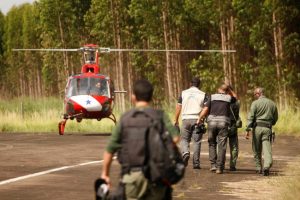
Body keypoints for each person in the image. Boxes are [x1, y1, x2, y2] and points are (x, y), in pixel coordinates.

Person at [101, 79, 180, 199]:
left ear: (133, 97)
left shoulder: (125, 118)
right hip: (157, 177)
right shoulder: (160, 116)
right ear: (151, 97)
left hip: (132, 178)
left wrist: (105, 174)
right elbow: (175, 138)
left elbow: (110, 149)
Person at [200, 84, 237, 174]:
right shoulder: (228, 98)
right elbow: (235, 97)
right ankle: (219, 167)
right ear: (227, 91)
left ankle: (213, 165)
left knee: (212, 143)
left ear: (218, 89)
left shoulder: (212, 97)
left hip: (211, 122)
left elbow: (205, 109)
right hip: (223, 122)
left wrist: (200, 118)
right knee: (222, 145)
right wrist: (230, 90)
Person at [174, 77, 209, 169]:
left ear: (190, 84)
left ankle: (185, 152)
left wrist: (176, 120)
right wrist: (203, 118)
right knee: (197, 142)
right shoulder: (203, 94)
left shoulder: (183, 93)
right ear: (199, 84)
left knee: (184, 139)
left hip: (186, 119)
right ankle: (196, 164)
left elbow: (178, 107)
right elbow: (206, 108)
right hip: (198, 120)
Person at [245, 87, 278, 176]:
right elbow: (275, 119)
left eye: (255, 94)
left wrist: (248, 128)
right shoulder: (272, 103)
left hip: (257, 128)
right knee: (267, 147)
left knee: (256, 148)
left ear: (259, 94)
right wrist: (270, 123)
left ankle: (258, 167)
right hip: (267, 128)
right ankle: (267, 165)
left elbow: (251, 116)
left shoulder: (255, 103)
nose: (254, 96)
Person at [228, 99, 242, 171]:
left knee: (220, 145)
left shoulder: (221, 100)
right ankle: (232, 165)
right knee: (234, 146)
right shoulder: (236, 103)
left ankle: (220, 163)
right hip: (233, 126)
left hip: (222, 126)